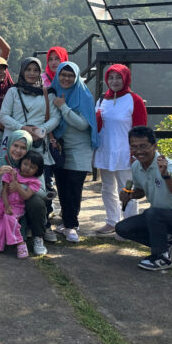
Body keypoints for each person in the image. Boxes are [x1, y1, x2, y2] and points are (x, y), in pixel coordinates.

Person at [116, 126, 172, 271]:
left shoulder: (168, 166)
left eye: (143, 146)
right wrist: (130, 195)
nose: (138, 151)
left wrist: (166, 175)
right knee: (122, 228)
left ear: (154, 146)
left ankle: (161, 258)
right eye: (134, 147)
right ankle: (166, 240)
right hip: (159, 217)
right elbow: (141, 192)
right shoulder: (136, 165)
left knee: (152, 212)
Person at [0, 57, 60, 233]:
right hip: (17, 145)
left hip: (39, 146)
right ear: (22, 72)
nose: (32, 74)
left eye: (35, 70)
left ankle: (43, 226)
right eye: (28, 70)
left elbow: (56, 117)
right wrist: (24, 129)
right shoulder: (13, 92)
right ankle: (16, 226)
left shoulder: (48, 93)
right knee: (12, 185)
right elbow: (4, 116)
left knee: (41, 185)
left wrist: (41, 130)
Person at [94, 64, 147, 234]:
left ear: (125, 79)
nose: (114, 81)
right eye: (111, 77)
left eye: (118, 77)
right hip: (105, 150)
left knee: (127, 189)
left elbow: (141, 129)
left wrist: (137, 153)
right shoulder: (103, 100)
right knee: (107, 187)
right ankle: (112, 221)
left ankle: (130, 226)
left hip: (126, 152)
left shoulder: (134, 100)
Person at [50, 61, 97, 243]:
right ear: (58, 75)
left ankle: (72, 225)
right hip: (59, 147)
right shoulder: (53, 91)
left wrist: (63, 107)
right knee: (62, 186)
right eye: (63, 74)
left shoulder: (83, 95)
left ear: (76, 77)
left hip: (79, 148)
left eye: (70, 75)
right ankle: (66, 222)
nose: (66, 78)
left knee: (74, 187)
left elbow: (83, 124)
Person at [0, 130, 49, 255]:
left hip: (25, 201)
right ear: (9, 144)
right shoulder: (0, 162)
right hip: (6, 202)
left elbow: (42, 193)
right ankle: (3, 241)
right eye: (15, 145)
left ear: (28, 148)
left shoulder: (33, 162)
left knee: (36, 202)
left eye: (23, 147)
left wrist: (20, 186)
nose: (18, 150)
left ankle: (38, 236)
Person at [0, 150, 44, 258]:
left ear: (37, 170)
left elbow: (26, 196)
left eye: (32, 167)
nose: (27, 168)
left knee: (9, 218)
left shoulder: (34, 181)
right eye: (25, 164)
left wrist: (17, 185)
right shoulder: (12, 172)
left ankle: (20, 243)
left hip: (17, 205)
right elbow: (4, 191)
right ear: (21, 162)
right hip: (2, 202)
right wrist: (6, 205)